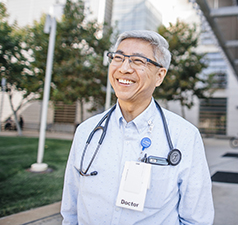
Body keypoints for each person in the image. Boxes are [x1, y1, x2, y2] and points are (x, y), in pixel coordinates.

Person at [61, 30, 214, 224]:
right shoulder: (86, 131)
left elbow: (197, 219)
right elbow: (70, 211)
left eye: (138, 61)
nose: (124, 68)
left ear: (160, 76)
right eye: (118, 58)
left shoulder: (184, 136)